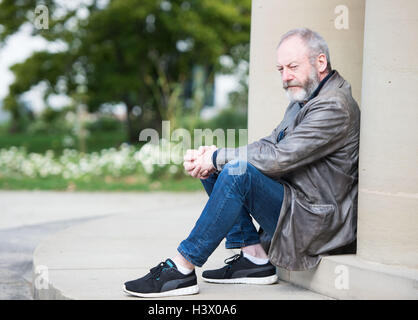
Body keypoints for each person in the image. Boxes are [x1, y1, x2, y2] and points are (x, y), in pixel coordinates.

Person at [123, 28, 360, 298]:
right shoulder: (306, 97)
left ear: (320, 62)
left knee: (235, 170)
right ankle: (255, 258)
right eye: (280, 69)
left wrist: (218, 157)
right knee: (220, 167)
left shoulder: (333, 106)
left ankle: (182, 268)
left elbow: (280, 158)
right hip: (298, 206)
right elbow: (270, 144)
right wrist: (214, 156)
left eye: (293, 66)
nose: (285, 77)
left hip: (316, 222)